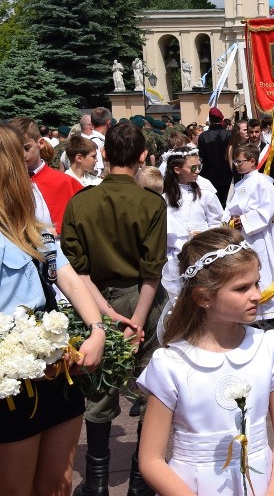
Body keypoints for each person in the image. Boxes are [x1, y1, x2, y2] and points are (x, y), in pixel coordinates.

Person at [137, 228, 274, 495]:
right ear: (203, 297)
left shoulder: (267, 346)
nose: (257, 295)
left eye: (256, 283)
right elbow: (151, 460)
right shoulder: (171, 364)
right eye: (242, 288)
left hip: (263, 485)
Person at [61, 122, 169, 496]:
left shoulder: (80, 202)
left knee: (98, 390)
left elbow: (77, 269)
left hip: (94, 300)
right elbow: (152, 271)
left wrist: (104, 313)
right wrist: (136, 321)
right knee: (148, 390)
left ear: (104, 155)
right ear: (143, 157)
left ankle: (97, 483)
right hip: (143, 302)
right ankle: (141, 481)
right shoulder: (152, 202)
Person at [0, 125, 106, 496]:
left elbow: (66, 274)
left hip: (58, 368)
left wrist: (98, 329)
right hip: (11, 384)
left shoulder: (29, 222)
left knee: (58, 484)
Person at [223, 143, 274, 319]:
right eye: (235, 162)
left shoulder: (263, 182)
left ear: (252, 161)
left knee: (263, 272)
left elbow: (267, 211)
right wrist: (228, 219)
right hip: (240, 236)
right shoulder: (239, 183)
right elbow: (230, 205)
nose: (237, 165)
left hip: (257, 236)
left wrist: (244, 221)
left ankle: (269, 316)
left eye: (240, 161)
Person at [161, 147, 224, 296]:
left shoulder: (205, 194)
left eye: (199, 167)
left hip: (203, 253)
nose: (197, 171)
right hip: (176, 255)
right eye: (193, 168)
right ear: (177, 170)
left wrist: (206, 235)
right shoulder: (165, 197)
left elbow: (216, 222)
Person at [9, 117, 83, 234]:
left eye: (26, 148)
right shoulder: (6, 183)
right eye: (14, 149)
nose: (21, 154)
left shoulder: (66, 182)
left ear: (41, 143)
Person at [198, 107, 233, 207]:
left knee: (212, 205)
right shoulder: (228, 135)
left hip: (210, 175)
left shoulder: (203, 136)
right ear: (221, 119)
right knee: (227, 203)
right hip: (227, 174)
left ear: (210, 119)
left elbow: (202, 158)